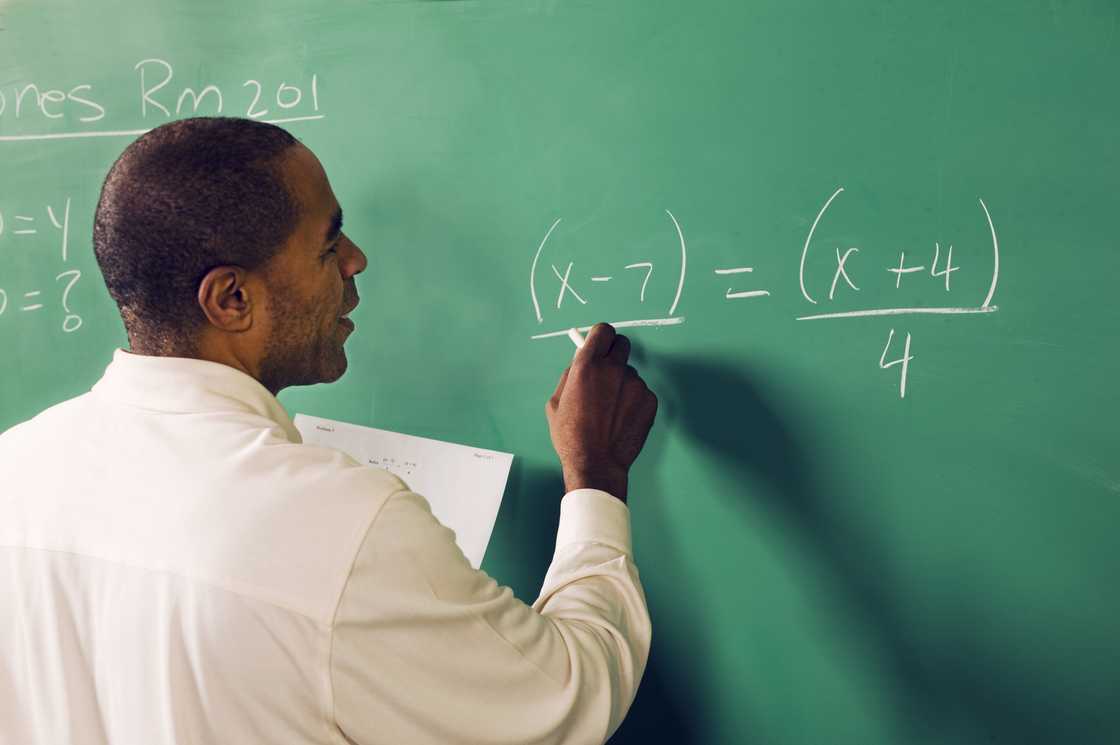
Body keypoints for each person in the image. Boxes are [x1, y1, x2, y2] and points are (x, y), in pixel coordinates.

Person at [0, 117, 658, 744]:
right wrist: (595, 479)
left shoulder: (14, 473)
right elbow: (565, 702)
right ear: (232, 299)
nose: (356, 260)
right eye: (328, 245)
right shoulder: (338, 523)